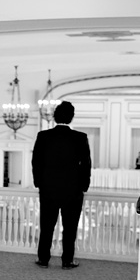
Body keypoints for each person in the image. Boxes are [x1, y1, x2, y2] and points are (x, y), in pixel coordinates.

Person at [31, 101, 91, 270]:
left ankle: (43, 260)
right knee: (70, 228)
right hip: (73, 190)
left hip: (48, 189)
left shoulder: (43, 136)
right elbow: (86, 164)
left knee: (47, 227)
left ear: (55, 116)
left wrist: (39, 183)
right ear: (71, 117)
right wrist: (83, 186)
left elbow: (36, 162)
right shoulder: (80, 137)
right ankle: (67, 261)